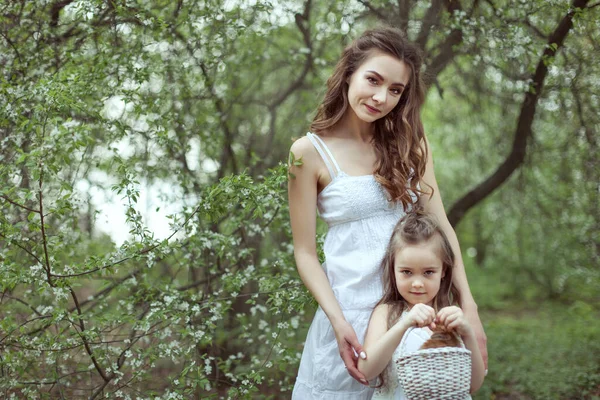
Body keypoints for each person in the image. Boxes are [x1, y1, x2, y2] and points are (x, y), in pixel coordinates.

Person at [287, 26, 487, 399]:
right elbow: (305, 252)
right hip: (349, 317)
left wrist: (468, 304)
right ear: (349, 73)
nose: (381, 97)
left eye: (395, 90)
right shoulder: (308, 152)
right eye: (373, 80)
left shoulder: (412, 143)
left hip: (414, 313)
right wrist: (336, 320)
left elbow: (441, 226)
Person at [357, 211, 485, 398]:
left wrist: (467, 334)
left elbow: (473, 385)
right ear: (393, 269)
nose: (417, 283)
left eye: (428, 272)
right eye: (407, 272)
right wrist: (404, 324)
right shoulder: (387, 313)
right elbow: (366, 370)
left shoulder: (449, 316)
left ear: (443, 270)